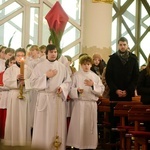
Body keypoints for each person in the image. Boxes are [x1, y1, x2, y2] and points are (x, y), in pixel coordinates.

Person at [30, 44, 71, 150]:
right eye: (51, 52)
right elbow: (33, 83)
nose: (53, 54)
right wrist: (46, 77)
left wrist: (62, 87)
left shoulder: (62, 67)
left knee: (56, 126)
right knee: (42, 125)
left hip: (56, 99)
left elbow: (68, 82)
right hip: (44, 98)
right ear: (47, 53)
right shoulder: (39, 66)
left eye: (55, 52)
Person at [105, 37, 139, 147]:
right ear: (118, 45)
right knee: (114, 118)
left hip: (127, 94)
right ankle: (113, 139)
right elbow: (108, 77)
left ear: (127, 45)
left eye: (124, 44)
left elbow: (136, 77)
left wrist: (128, 90)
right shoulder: (113, 59)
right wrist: (116, 90)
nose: (122, 46)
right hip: (115, 93)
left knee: (127, 117)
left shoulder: (133, 59)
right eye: (120, 44)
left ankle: (127, 140)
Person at [66, 55, 104, 150]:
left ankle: (89, 145)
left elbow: (101, 90)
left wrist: (93, 85)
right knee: (79, 125)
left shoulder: (95, 77)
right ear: (81, 65)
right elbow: (70, 89)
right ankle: (77, 144)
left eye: (88, 64)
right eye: (84, 64)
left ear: (91, 65)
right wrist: (77, 91)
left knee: (89, 125)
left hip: (91, 104)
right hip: (80, 104)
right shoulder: (76, 76)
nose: (86, 66)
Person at [3, 48, 32, 146]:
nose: (20, 58)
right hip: (14, 95)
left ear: (25, 57)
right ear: (15, 57)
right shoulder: (10, 69)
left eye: (22, 55)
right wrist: (16, 80)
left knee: (24, 119)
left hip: (25, 94)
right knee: (13, 119)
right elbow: (5, 82)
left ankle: (24, 142)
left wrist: (25, 83)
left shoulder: (29, 69)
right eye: (18, 56)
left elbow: (34, 82)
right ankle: (12, 142)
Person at [0, 56, 15, 141]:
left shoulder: (17, 74)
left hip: (12, 96)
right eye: (11, 62)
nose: (12, 64)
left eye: (14, 62)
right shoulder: (2, 73)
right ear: (8, 63)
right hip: (2, 97)